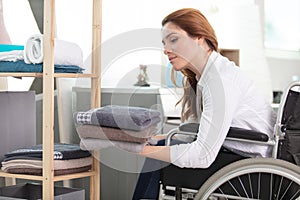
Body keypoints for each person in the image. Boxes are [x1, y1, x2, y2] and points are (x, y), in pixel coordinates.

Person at [132, 8, 276, 199]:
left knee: (156, 156)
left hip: (254, 166)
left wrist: (139, 150)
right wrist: (153, 140)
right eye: (164, 43)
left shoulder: (221, 82)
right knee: (160, 144)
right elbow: (207, 132)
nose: (166, 49)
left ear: (199, 38)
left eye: (173, 40)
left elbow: (202, 155)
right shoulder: (209, 76)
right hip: (238, 153)